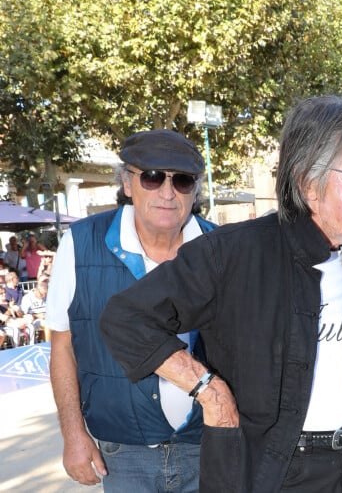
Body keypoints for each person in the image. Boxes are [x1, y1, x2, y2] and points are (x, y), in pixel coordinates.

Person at [101, 95, 342, 493]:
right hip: (275, 475)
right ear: (308, 183)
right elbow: (125, 318)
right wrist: (209, 390)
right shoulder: (232, 252)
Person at [46, 129, 215, 491]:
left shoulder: (220, 247)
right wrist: (74, 435)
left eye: (182, 181)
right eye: (152, 178)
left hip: (208, 448)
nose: (168, 193)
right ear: (127, 182)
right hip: (123, 455)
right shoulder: (81, 243)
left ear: (196, 190)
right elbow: (62, 345)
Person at [20, 278, 50, 343]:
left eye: (45, 294)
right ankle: (49, 345)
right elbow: (23, 314)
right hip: (34, 319)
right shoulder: (27, 298)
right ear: (36, 290)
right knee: (48, 324)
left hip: (47, 317)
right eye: (42, 294)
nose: (43, 296)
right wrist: (38, 316)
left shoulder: (47, 296)